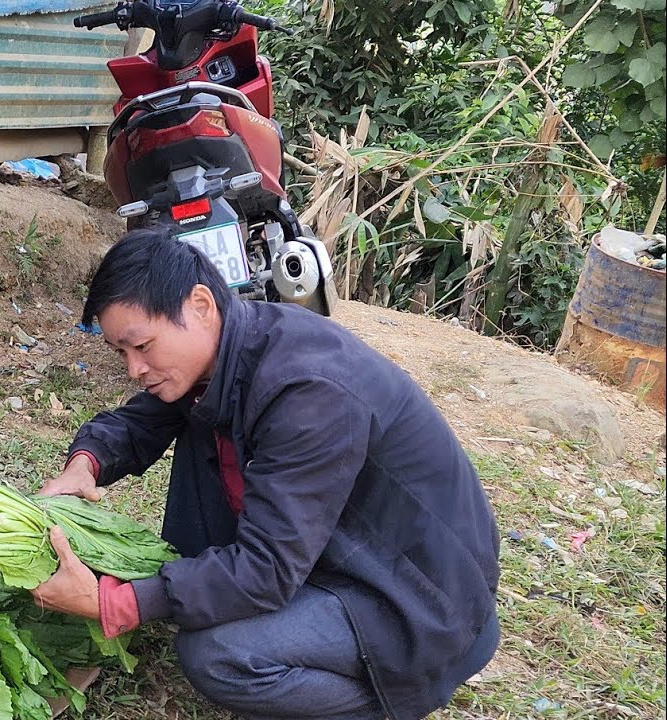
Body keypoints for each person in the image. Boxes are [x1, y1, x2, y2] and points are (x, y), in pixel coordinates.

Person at [29, 227, 500, 720]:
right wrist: (87, 465)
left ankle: (383, 703)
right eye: (121, 353)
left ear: (201, 306)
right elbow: (141, 419)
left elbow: (266, 571)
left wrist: (116, 605)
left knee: (215, 655)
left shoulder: (307, 391)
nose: (134, 369)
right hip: (337, 558)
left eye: (142, 346)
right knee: (190, 424)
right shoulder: (225, 354)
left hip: (412, 598)